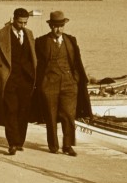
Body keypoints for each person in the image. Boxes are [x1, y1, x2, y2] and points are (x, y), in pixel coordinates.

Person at [0, 8, 37, 155]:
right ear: (13, 19)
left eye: (25, 22)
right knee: (11, 111)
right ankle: (12, 143)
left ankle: (19, 142)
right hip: (8, 79)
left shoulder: (29, 34)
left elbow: (33, 57)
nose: (23, 25)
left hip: (26, 80)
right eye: (20, 22)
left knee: (23, 112)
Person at [33, 10, 92, 157]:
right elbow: (34, 64)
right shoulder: (40, 42)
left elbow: (77, 61)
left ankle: (68, 145)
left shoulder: (71, 41)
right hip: (49, 85)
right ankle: (53, 146)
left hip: (69, 84)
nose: (58, 29)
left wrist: (76, 79)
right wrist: (40, 83)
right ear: (50, 26)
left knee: (68, 115)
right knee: (50, 116)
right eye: (55, 26)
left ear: (64, 26)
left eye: (61, 26)